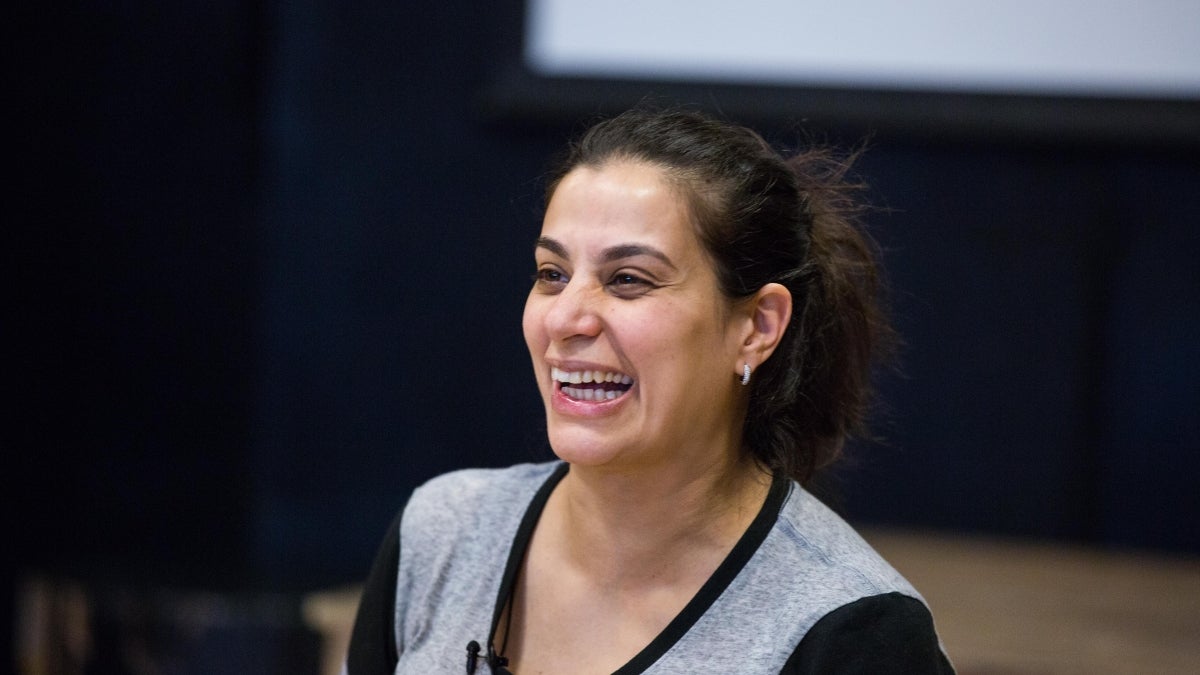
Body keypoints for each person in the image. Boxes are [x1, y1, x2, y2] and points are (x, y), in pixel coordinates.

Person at [346, 108, 954, 674]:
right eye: (552, 275)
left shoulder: (851, 630)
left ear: (757, 326)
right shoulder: (442, 532)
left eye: (629, 280)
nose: (566, 319)